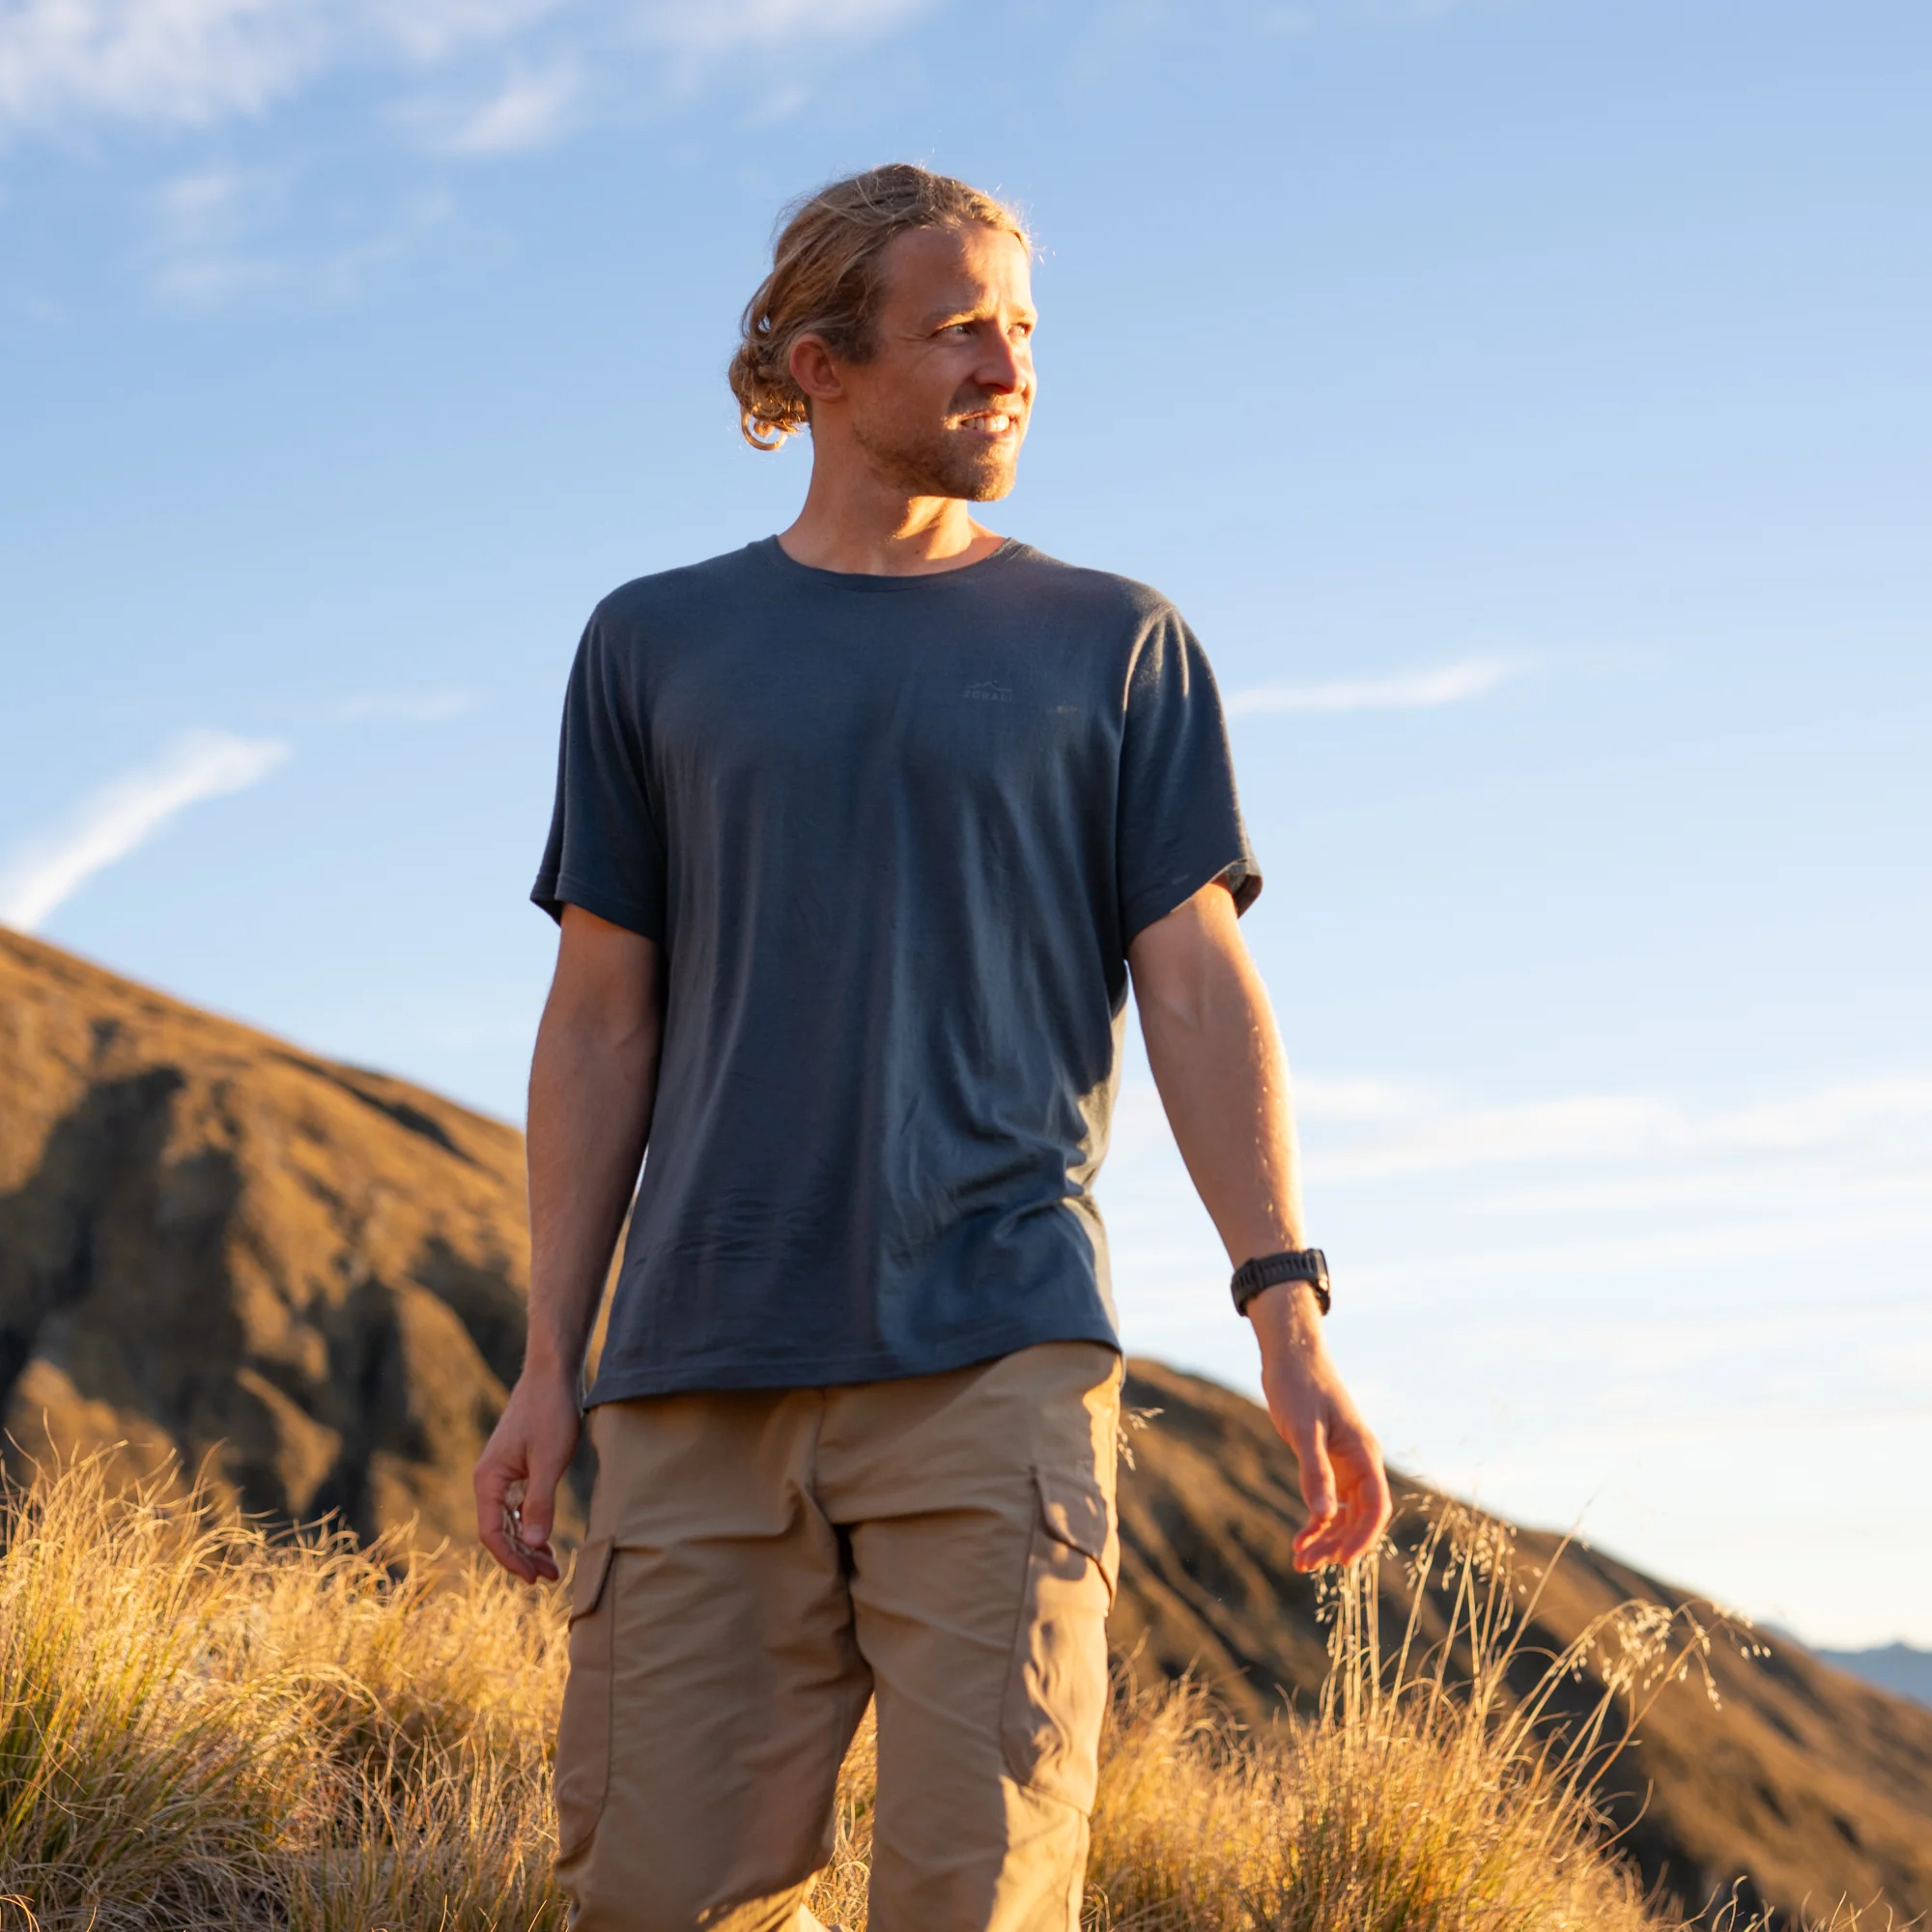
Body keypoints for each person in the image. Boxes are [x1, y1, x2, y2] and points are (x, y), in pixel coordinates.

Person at [473, 162, 1392, 1932]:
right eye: (961, 327)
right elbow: (601, 1019)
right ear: (819, 367)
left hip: (998, 1363)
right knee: (653, 1900)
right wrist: (546, 1359)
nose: (1009, 368)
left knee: (977, 1904)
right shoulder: (653, 643)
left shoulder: (1116, 644)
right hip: (694, 1373)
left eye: (1025, 329)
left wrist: (1287, 1305)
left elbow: (1196, 986)